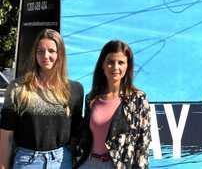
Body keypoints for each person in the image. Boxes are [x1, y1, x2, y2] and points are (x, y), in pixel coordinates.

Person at [0, 29, 84, 169]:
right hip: (27, 161)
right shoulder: (17, 89)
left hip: (62, 161)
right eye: (40, 51)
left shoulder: (75, 90)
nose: (46, 56)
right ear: (35, 54)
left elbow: (75, 134)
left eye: (51, 51)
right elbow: (6, 136)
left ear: (60, 54)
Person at [77, 40, 151, 169]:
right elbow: (84, 136)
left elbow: (142, 145)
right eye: (110, 62)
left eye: (121, 62)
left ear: (127, 66)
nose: (116, 67)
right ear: (103, 65)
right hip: (89, 164)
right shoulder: (91, 98)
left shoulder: (138, 99)